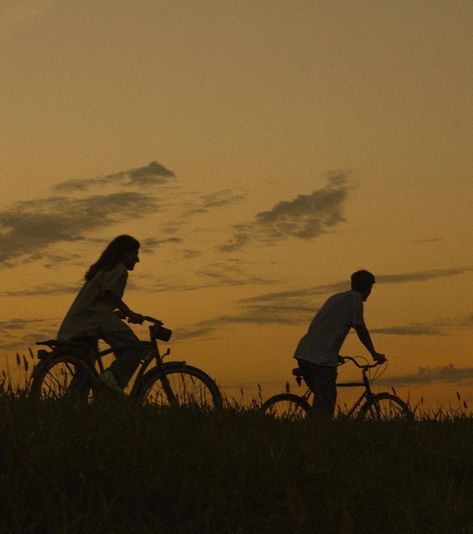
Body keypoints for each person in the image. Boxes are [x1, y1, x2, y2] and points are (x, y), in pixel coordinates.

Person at [294, 270, 386, 419]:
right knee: (326, 403)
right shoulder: (355, 299)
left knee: (322, 399)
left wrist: (334, 353)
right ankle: (318, 434)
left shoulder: (335, 298)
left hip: (305, 353)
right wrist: (374, 353)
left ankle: (312, 431)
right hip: (321, 360)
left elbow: (322, 328)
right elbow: (360, 328)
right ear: (367, 288)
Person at [57, 235, 144, 391]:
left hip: (77, 326)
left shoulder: (102, 270)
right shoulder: (119, 270)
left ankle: (71, 409)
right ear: (124, 253)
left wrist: (115, 313)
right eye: (135, 253)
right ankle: (111, 380)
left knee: (84, 377)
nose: (137, 259)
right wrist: (130, 313)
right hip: (94, 322)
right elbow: (108, 293)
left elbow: (98, 301)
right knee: (134, 348)